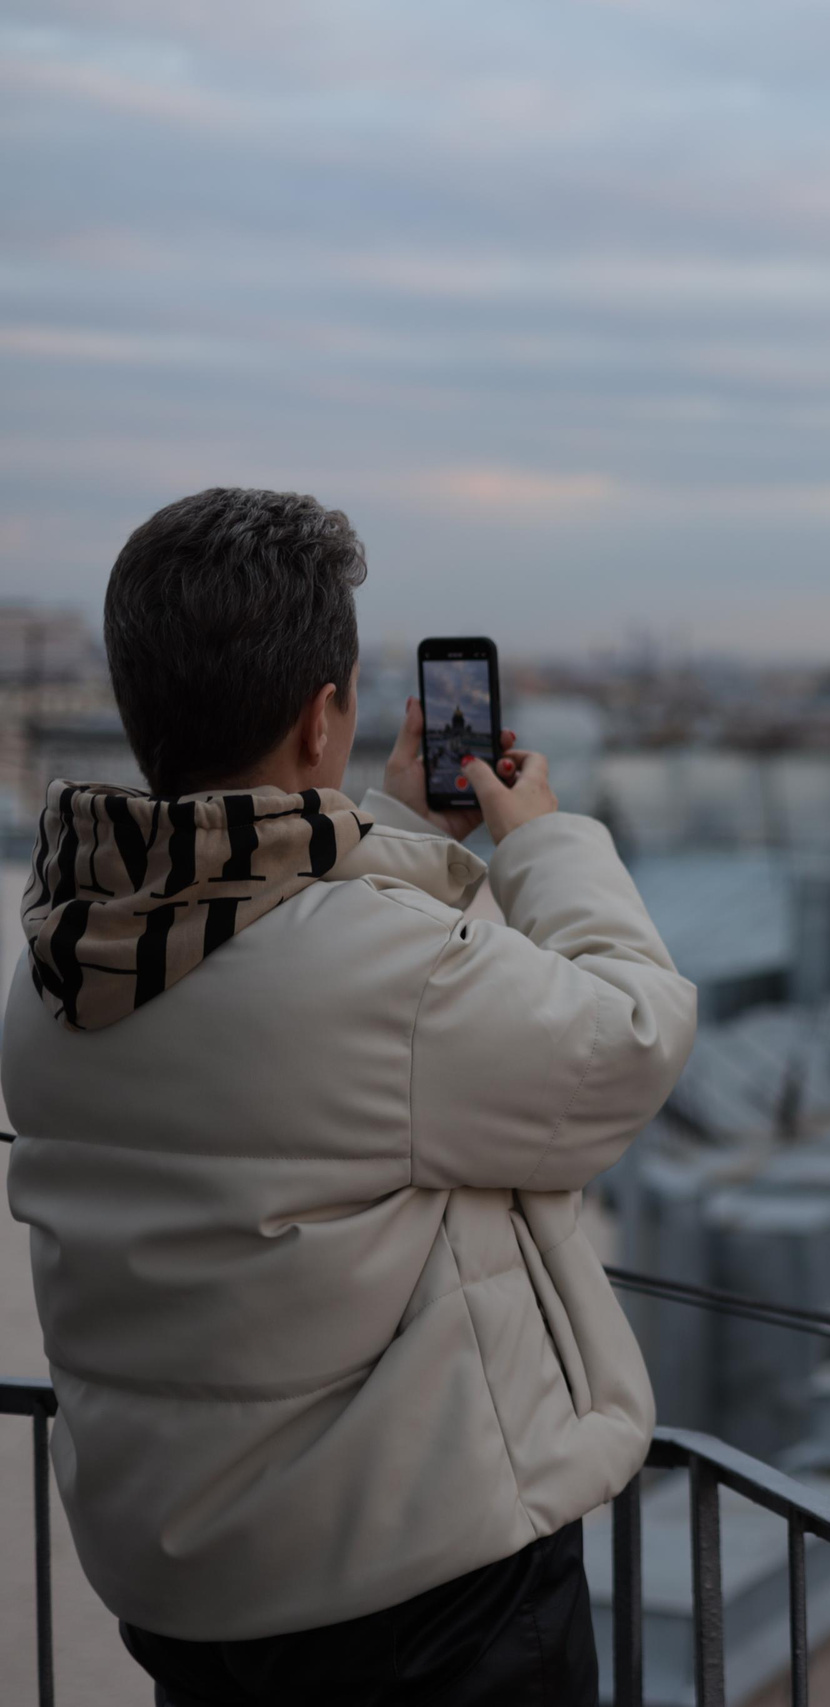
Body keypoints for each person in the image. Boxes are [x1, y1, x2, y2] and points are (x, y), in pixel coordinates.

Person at [5, 488, 696, 1704]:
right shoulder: (391, 973)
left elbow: (295, 990)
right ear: (324, 714)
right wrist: (540, 842)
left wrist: (373, 827)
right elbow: (632, 1038)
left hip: (193, 1593)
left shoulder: (63, 956)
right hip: (419, 1599)